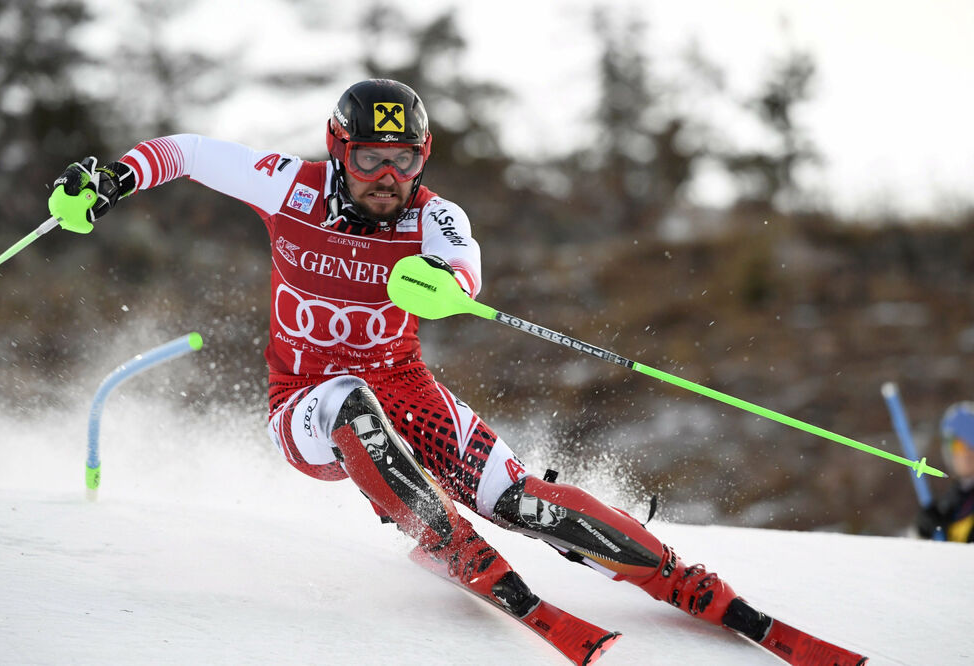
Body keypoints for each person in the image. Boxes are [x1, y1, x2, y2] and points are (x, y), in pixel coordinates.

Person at [48, 79, 865, 664]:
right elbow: (187, 152)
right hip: (304, 403)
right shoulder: (286, 186)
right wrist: (111, 179)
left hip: (410, 393)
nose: (387, 179)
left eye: (404, 160)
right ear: (338, 151)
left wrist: (445, 289)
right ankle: (446, 540)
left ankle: (676, 576)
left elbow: (462, 272)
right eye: (370, 159)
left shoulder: (435, 215)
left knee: (519, 498)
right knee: (347, 399)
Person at [916, 402, 974, 542]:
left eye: (971, 443)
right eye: (958, 446)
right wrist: (924, 531)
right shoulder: (952, 499)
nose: (966, 453)